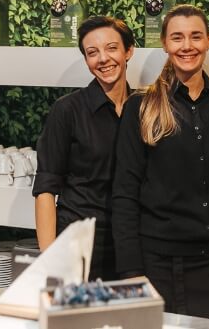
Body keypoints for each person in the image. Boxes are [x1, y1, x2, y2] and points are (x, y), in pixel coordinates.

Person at [112, 4, 209, 322]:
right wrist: (131, 273)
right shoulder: (140, 107)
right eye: (177, 37)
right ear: (165, 43)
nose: (187, 46)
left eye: (195, 36)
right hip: (155, 269)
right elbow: (124, 195)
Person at [33, 16, 135, 280]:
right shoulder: (67, 110)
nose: (103, 59)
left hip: (131, 246)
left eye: (111, 48)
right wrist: (49, 260)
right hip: (77, 244)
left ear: (128, 51)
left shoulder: (143, 108)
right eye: (92, 53)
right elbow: (46, 187)